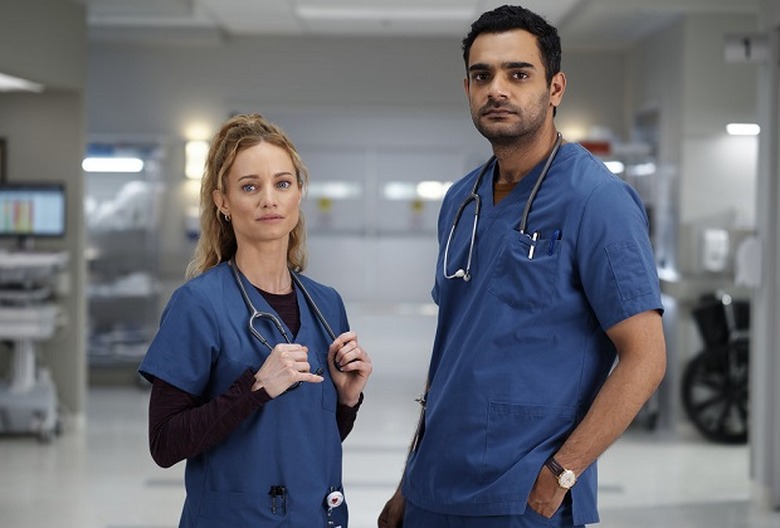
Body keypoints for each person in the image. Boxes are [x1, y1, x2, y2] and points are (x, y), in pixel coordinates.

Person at [378, 5, 666, 528]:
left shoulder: (597, 200)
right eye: (482, 75)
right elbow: (451, 353)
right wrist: (408, 480)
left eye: (518, 74)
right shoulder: (461, 200)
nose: (497, 89)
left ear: (555, 88)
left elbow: (646, 357)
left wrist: (563, 472)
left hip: (524, 497)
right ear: (467, 88)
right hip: (432, 490)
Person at [139, 113, 372, 527]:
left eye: (282, 183)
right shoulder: (198, 305)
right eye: (250, 186)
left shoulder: (326, 305)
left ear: (299, 193)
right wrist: (255, 390)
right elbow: (164, 443)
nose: (269, 199)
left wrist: (347, 401)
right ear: (223, 202)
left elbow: (307, 443)